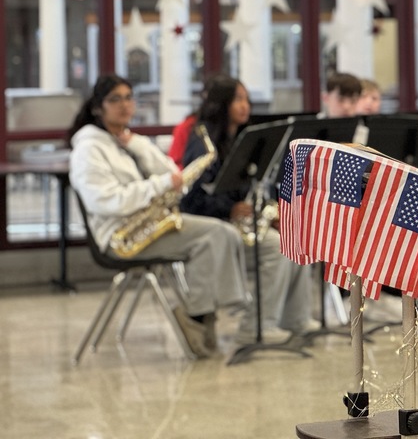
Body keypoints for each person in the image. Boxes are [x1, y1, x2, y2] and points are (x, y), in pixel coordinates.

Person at [68, 75, 249, 359]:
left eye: (129, 97)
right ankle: (201, 316)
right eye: (115, 99)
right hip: (121, 235)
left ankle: (205, 314)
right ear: (97, 107)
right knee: (213, 236)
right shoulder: (89, 149)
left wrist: (139, 148)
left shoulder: (130, 141)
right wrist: (158, 186)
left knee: (221, 233)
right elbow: (104, 200)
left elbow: (171, 173)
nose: (125, 105)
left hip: (149, 224)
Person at [180, 75, 315, 345]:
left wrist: (266, 210)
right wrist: (230, 208)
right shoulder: (202, 141)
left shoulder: (240, 137)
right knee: (277, 247)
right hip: (214, 226)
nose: (246, 106)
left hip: (235, 221)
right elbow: (191, 200)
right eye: (238, 99)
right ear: (222, 104)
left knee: (295, 236)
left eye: (247, 99)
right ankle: (257, 326)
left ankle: (296, 317)